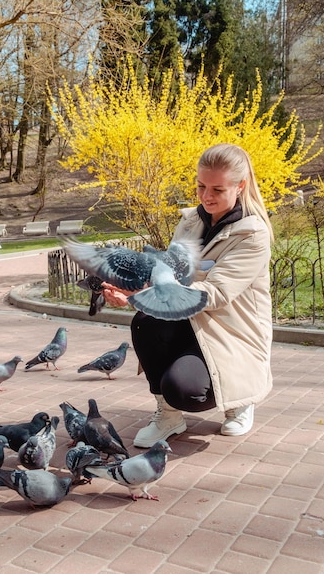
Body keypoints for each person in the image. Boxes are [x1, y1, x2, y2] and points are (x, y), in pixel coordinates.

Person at [103, 143, 273, 447]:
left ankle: (240, 400)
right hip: (190, 324)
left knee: (187, 391)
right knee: (145, 320)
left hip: (230, 334)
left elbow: (217, 292)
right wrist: (132, 290)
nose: (207, 196)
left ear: (240, 186)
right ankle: (168, 415)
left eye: (217, 189)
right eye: (201, 186)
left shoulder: (253, 235)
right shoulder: (190, 221)